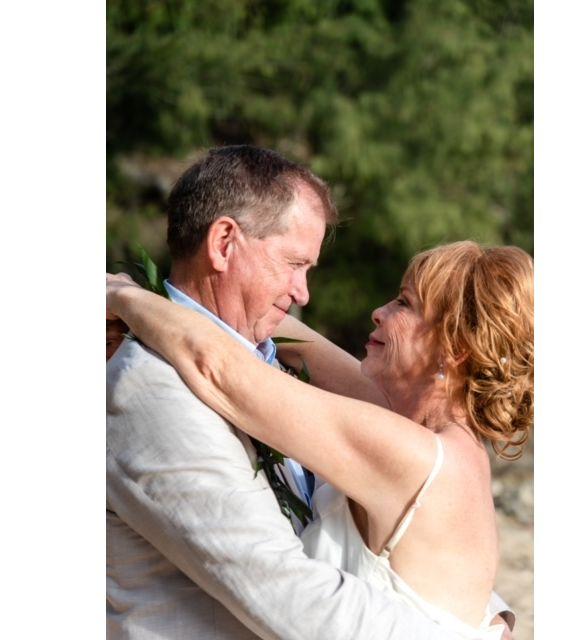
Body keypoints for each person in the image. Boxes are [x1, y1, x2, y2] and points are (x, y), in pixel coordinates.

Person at [107, 145, 514, 640]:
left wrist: (124, 297)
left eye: (404, 304)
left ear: (454, 350)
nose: (304, 293)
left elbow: (220, 363)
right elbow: (288, 592)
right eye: (294, 263)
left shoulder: (407, 442)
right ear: (224, 243)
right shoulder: (154, 387)